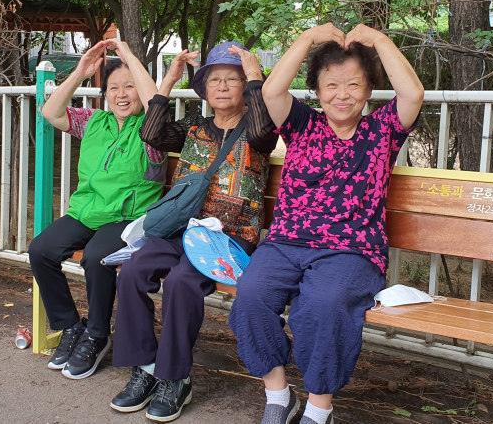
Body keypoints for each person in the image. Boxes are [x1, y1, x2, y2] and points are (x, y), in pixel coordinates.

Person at [228, 23, 424, 424]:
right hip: (286, 242)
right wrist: (305, 39)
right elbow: (271, 92)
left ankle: (319, 410)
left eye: (354, 84)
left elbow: (413, 93)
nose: (342, 94)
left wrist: (381, 41)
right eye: (331, 85)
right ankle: (279, 396)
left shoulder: (382, 131)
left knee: (323, 305)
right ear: (317, 92)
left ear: (369, 90)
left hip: (351, 250)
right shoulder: (302, 125)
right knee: (250, 295)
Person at [108, 41, 279, 422]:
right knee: (134, 271)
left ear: (245, 87)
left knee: (183, 282)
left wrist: (255, 77)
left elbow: (266, 130)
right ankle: (146, 368)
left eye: (231, 80)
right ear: (203, 90)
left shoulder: (256, 131)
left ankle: (175, 377)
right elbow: (151, 133)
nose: (222, 87)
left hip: (229, 234)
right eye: (214, 80)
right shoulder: (194, 129)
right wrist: (168, 79)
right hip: (181, 228)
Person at [29, 39, 166, 380]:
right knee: (41, 250)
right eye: (113, 88)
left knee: (95, 257)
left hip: (128, 219)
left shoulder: (152, 131)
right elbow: (50, 111)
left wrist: (130, 58)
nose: (122, 94)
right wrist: (80, 71)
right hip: (86, 212)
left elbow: (155, 104)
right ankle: (71, 327)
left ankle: (97, 334)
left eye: (129, 87)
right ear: (104, 94)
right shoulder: (93, 121)